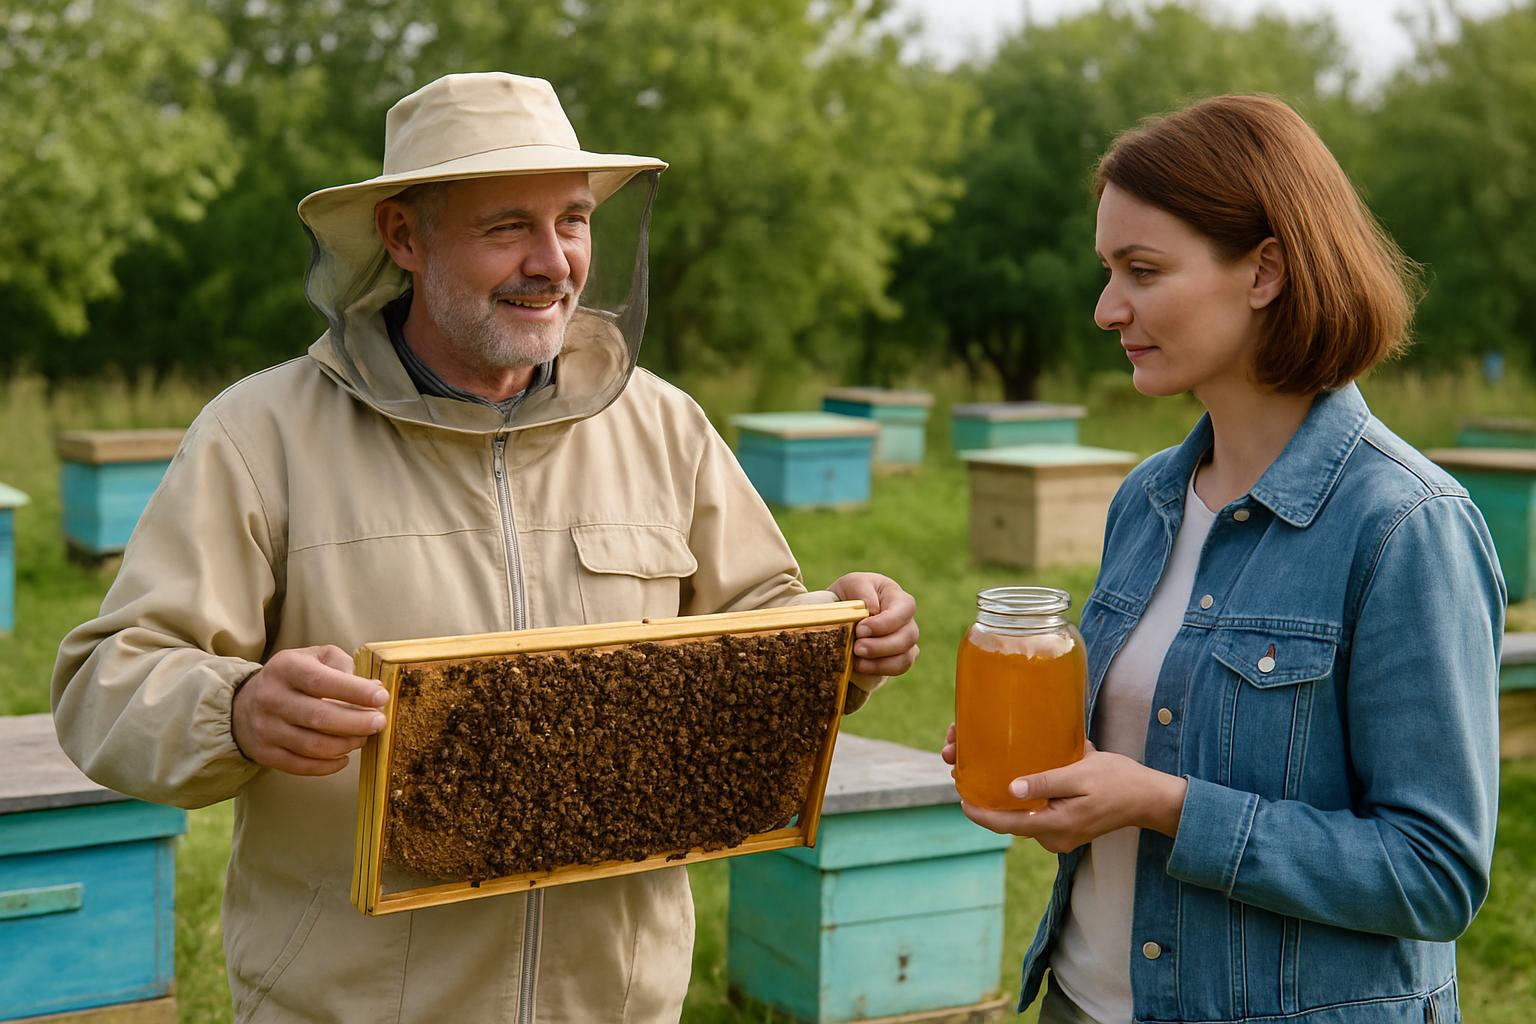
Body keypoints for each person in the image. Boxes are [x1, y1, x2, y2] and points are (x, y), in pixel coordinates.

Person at [52, 72, 919, 1023]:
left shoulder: (663, 424)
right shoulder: (259, 437)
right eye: (508, 226)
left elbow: (756, 617)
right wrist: (239, 709)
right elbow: (110, 682)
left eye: (575, 222)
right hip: (358, 1005)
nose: (552, 261)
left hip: (615, 1004)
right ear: (403, 238)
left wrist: (841, 635)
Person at [943, 95, 1504, 1023]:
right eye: (1107, 269)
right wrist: (1063, 787)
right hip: (1084, 1001)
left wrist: (1164, 804)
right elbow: (1128, 761)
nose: (1106, 307)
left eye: (1143, 270)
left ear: (1265, 272)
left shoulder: (1406, 525)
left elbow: (1434, 875)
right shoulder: (1147, 500)